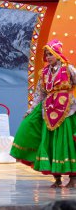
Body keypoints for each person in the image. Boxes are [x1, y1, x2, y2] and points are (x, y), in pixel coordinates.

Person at [10, 39, 76, 188]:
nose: (48, 57)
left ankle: (73, 178)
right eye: (46, 54)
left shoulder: (68, 69)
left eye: (50, 54)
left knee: (65, 142)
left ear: (57, 54)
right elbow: (39, 94)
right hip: (49, 109)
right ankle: (57, 178)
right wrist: (30, 110)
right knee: (49, 142)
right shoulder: (44, 73)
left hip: (66, 110)